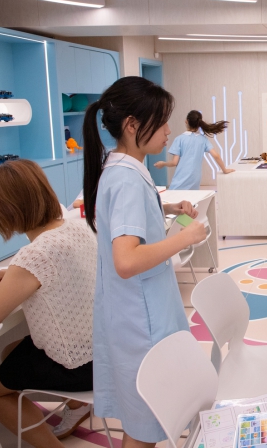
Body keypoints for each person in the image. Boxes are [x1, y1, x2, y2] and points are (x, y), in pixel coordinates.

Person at [83, 77, 207, 448]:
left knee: (145, 419)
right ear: (132, 125)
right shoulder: (126, 179)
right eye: (162, 121)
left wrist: (166, 208)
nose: (169, 131)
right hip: (142, 321)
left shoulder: (124, 169)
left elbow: (128, 223)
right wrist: (183, 237)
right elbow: (126, 260)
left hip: (139, 312)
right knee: (145, 425)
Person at [0, 159, 97, 447]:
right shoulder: (78, 227)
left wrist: (17, 273)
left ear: (6, 212)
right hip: (106, 351)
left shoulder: (35, 254)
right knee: (9, 351)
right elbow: (61, 269)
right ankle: (78, 406)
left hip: (80, 366)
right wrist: (16, 274)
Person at [154, 110, 234, 189]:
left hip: (179, 182)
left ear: (186, 121)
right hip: (195, 181)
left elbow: (174, 162)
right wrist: (224, 170)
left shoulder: (179, 139)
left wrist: (162, 163)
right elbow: (216, 156)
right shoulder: (203, 139)